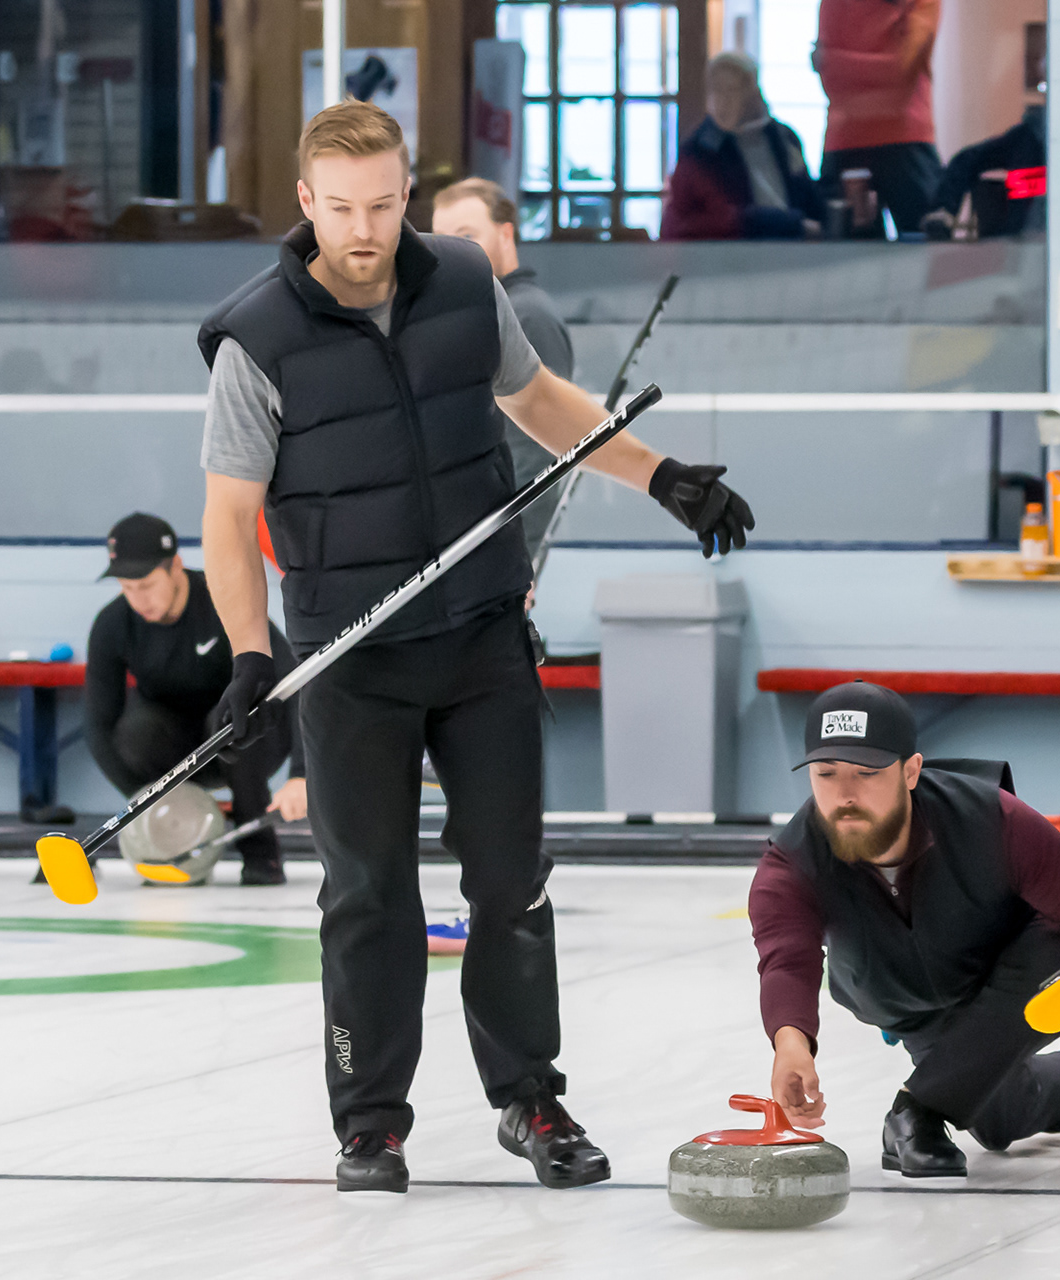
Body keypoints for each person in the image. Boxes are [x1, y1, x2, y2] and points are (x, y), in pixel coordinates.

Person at [196, 100, 755, 1196]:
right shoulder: (257, 339)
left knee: (511, 881)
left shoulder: (461, 281)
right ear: (306, 202)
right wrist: (250, 655)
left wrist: (661, 477)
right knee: (369, 895)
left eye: (382, 204)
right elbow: (227, 518)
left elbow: (539, 401)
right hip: (350, 660)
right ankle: (370, 1124)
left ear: (407, 193)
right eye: (340, 209)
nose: (364, 230)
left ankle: (530, 1096)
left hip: (482, 634)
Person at [750, 681, 1060, 1177]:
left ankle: (916, 1110)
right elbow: (787, 962)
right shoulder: (791, 864)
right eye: (825, 774)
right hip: (910, 1004)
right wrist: (791, 1043)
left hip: (1017, 967)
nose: (845, 795)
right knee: (996, 1118)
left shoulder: (994, 820)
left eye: (866, 774)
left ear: (910, 771)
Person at [83, 512, 303, 885]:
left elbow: (294, 682)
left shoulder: (221, 601)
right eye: (127, 587)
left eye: (146, 585)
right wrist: (147, 802)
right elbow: (98, 726)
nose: (138, 599)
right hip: (175, 748)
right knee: (137, 731)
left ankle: (261, 853)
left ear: (175, 567)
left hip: (247, 736)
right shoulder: (113, 624)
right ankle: (166, 841)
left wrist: (301, 774)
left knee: (229, 721)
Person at [430, 177, 576, 565]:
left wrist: (516, 553)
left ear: (505, 234)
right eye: (441, 239)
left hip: (500, 548)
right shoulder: (475, 313)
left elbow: (539, 452)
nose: (453, 251)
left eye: (467, 236)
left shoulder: (526, 315)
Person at [662, 53, 825, 242]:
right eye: (716, 90)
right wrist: (786, 224)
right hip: (730, 255)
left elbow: (810, 202)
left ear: (753, 92)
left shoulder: (784, 138)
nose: (723, 100)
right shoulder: (699, 152)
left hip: (792, 250)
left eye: (732, 90)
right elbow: (705, 220)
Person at [814, 0, 941, 237]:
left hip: (900, 141)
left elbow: (901, 69)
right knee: (847, 258)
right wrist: (886, 72)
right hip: (861, 141)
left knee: (927, 246)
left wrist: (841, 64)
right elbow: (831, 76)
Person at [920, 103, 1045, 240]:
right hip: (1034, 129)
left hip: (1039, 134)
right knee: (966, 158)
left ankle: (1018, 227)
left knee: (1024, 165)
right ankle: (943, 212)